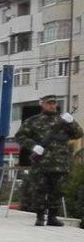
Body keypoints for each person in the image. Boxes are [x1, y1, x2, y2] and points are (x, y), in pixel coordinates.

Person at [16, 95, 83, 226]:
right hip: (41, 164)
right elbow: (20, 136)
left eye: (53, 103)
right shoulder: (33, 121)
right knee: (39, 190)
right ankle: (40, 217)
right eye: (49, 103)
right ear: (42, 104)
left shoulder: (63, 121)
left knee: (58, 191)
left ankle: (52, 217)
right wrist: (33, 146)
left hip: (60, 163)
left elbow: (79, 134)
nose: (52, 106)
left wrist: (72, 122)